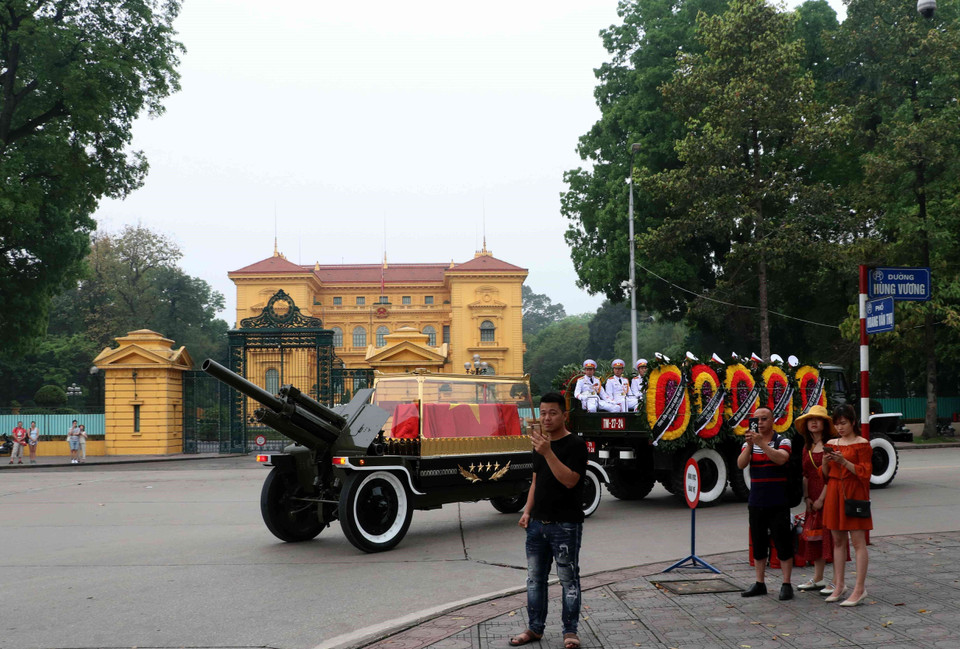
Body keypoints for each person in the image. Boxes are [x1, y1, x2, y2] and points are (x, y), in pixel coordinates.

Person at [511, 392, 587, 649]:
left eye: (552, 413)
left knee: (568, 579)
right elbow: (536, 481)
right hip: (537, 525)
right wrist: (527, 511)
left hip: (565, 524)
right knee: (534, 579)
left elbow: (570, 480)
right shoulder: (539, 444)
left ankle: (570, 631)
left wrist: (548, 452)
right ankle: (534, 628)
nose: (546, 418)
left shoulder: (576, 445)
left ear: (564, 415)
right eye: (543, 413)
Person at [737, 407, 794, 600]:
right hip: (757, 501)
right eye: (756, 420)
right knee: (759, 543)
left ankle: (786, 583)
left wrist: (764, 444)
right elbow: (741, 464)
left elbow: (781, 459)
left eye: (764, 419)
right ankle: (760, 583)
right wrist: (752, 445)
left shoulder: (782, 440)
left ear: (772, 421)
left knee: (783, 542)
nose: (760, 423)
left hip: (778, 501)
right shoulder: (750, 443)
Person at [822, 403, 872, 606]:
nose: (840, 428)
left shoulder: (862, 443)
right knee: (838, 541)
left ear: (852, 422)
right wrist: (826, 461)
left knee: (858, 541)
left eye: (843, 423)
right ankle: (839, 584)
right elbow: (824, 475)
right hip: (834, 490)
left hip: (854, 492)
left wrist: (844, 462)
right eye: (837, 424)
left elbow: (866, 473)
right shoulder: (832, 442)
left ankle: (859, 588)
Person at [794, 405, 837, 592]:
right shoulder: (807, 447)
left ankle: (836, 580)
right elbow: (805, 474)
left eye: (817, 419)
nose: (813, 422)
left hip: (828, 496)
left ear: (824, 424)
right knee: (816, 537)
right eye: (810, 419)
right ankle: (818, 578)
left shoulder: (831, 445)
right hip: (812, 497)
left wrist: (821, 498)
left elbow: (833, 475)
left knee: (833, 538)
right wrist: (807, 498)